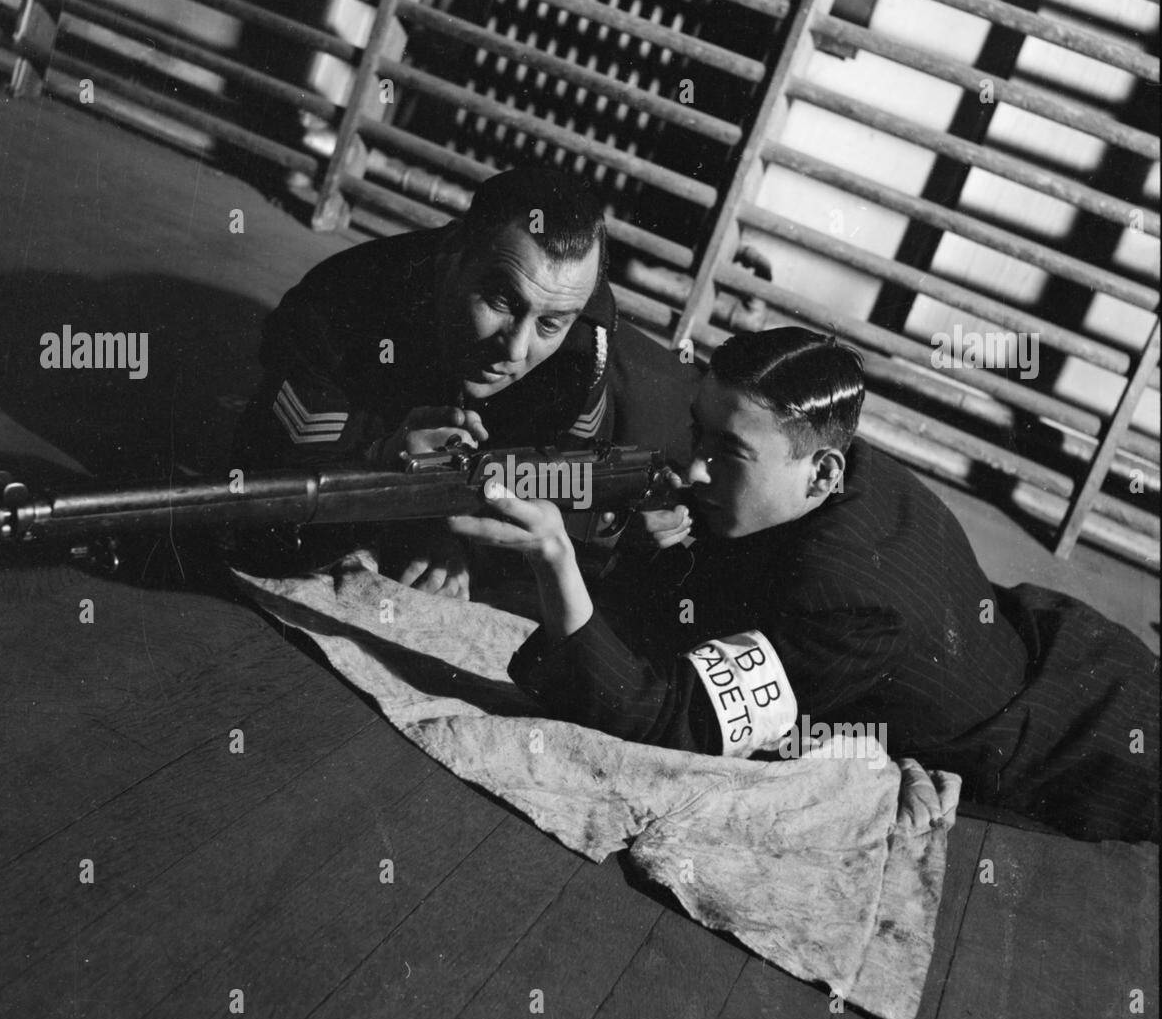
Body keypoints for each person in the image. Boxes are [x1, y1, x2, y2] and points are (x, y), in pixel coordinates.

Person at [449, 326, 1159, 844]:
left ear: (821, 472)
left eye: (727, 455)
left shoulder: (846, 595)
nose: (693, 470)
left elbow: (669, 722)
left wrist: (557, 562)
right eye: (698, 435)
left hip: (1079, 749)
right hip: (1064, 642)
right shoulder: (830, 456)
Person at [232, 166, 622, 595]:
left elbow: (567, 489)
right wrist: (381, 468)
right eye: (502, 299)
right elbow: (263, 518)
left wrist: (460, 532)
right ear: (453, 250)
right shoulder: (333, 311)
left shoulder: (582, 349)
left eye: (550, 324)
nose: (515, 350)